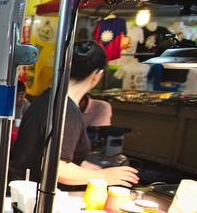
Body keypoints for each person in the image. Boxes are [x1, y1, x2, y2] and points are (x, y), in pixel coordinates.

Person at [10, 40, 139, 187]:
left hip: (24, 189)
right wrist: (103, 176)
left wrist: (89, 169)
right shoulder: (66, 111)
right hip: (35, 197)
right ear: (97, 75)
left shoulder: (47, 98)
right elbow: (58, 169)